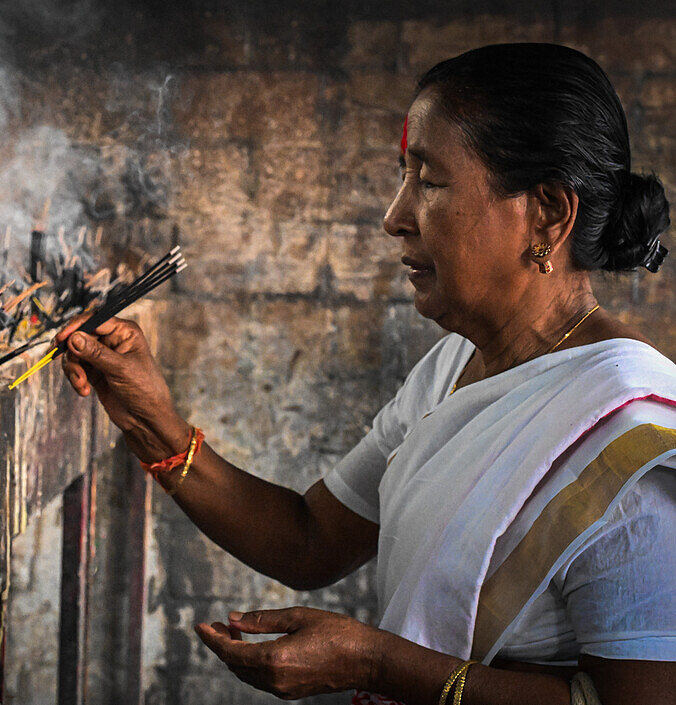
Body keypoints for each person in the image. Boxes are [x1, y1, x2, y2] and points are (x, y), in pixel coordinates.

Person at [53, 43, 675, 704]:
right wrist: (155, 425)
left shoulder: (632, 447)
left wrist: (374, 663)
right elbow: (311, 538)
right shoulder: (457, 365)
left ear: (547, 211)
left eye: (429, 181)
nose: (395, 216)